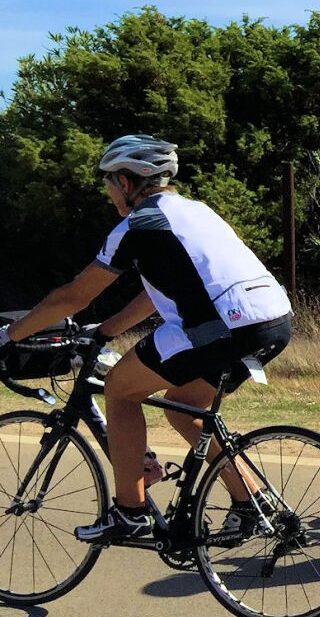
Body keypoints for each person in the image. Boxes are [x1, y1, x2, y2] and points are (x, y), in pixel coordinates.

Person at [0, 135, 293, 543]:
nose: (107, 193)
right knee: (183, 406)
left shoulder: (137, 225)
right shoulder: (197, 212)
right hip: (274, 320)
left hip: (222, 326)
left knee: (120, 388)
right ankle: (250, 503)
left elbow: (74, 296)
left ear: (126, 181)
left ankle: (129, 512)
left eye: (108, 182)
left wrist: (9, 334)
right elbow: (154, 294)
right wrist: (105, 331)